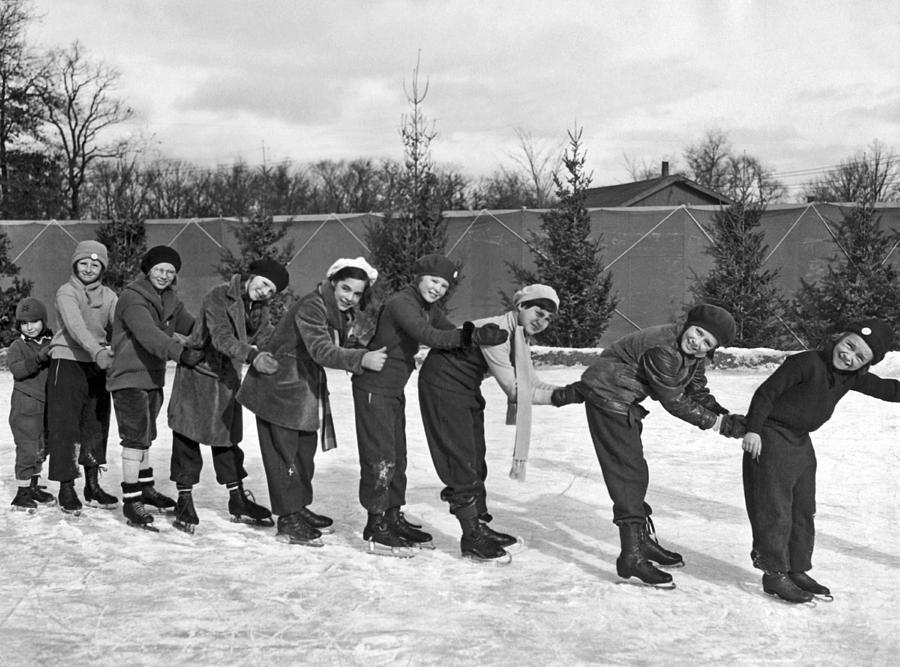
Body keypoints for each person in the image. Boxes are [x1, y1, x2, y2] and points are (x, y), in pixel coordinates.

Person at [572, 304, 746, 587]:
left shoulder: (692, 354)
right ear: (689, 324)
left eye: (707, 342)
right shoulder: (663, 349)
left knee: (635, 473)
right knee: (627, 476)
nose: (697, 342)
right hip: (608, 397)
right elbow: (674, 400)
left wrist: (724, 414)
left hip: (623, 400)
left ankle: (642, 543)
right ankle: (631, 557)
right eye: (698, 332)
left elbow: (696, 390)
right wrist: (720, 425)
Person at [351, 253, 508, 556]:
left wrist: (477, 337)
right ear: (419, 277)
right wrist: (470, 335)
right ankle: (376, 523)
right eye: (434, 281)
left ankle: (393, 516)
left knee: (397, 455)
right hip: (373, 387)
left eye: (444, 286)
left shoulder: (427, 308)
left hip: (392, 389)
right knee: (380, 458)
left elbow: (450, 329)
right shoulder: (402, 303)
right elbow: (430, 336)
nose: (438, 289)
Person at [741, 319, 900, 603]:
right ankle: (774, 573)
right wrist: (753, 430)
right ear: (840, 337)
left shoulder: (851, 377)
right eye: (849, 345)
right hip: (772, 435)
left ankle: (796, 567)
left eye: (860, 357)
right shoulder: (805, 363)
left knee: (803, 507)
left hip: (800, 440)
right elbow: (767, 393)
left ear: (865, 364)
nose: (849, 356)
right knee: (774, 507)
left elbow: (887, 390)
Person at [238, 257, 387, 546]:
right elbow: (321, 350)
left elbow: (334, 345)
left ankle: (299, 506)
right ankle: (287, 518)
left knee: (302, 454)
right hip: (278, 389)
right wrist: (361, 359)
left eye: (357, 293)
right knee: (285, 457)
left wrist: (358, 348)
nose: (350, 297)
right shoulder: (312, 305)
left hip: (301, 389)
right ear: (333, 282)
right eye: (345, 289)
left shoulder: (336, 312)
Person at [418, 284, 564, 563]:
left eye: (547, 318)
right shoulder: (498, 333)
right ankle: (471, 536)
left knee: (475, 455)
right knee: (460, 457)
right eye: (538, 311)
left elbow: (530, 382)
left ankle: (479, 526)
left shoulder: (519, 336)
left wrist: (568, 391)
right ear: (521, 306)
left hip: (464, 387)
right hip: (442, 386)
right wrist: (562, 397)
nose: (541, 321)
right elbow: (515, 390)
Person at [167, 257, 289, 534]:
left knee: (228, 441)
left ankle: (237, 499)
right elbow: (221, 337)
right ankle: (184, 499)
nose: (266, 292)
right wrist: (253, 355)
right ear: (253, 275)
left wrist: (289, 347)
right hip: (198, 374)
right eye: (265, 284)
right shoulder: (219, 295)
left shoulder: (260, 308)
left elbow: (268, 336)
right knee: (187, 437)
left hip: (227, 377)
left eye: (272, 290)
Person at [107, 246, 199, 531]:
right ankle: (131, 497)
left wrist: (215, 337)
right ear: (148, 270)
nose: (164, 275)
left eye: (170, 272)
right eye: (159, 269)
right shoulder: (132, 298)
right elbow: (149, 334)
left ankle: (145, 488)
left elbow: (193, 326)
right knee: (135, 437)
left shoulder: (170, 299)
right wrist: (180, 352)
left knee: (146, 434)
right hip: (128, 376)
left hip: (152, 376)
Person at [46, 240, 119, 513]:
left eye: (95, 264)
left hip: (97, 365)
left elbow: (123, 322)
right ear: (75, 264)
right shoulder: (67, 292)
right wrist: (97, 350)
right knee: (66, 426)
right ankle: (66, 486)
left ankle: (92, 485)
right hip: (67, 361)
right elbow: (75, 326)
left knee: (96, 424)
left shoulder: (110, 296)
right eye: (84, 263)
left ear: (103, 267)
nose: (89, 268)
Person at [7, 297, 56, 511]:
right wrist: (39, 358)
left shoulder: (51, 342)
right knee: (27, 448)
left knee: (41, 447)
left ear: (43, 321)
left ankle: (34, 486)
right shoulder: (17, 346)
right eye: (25, 323)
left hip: (46, 405)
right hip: (25, 406)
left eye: (35, 321)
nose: (30, 327)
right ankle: (22, 492)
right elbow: (18, 369)